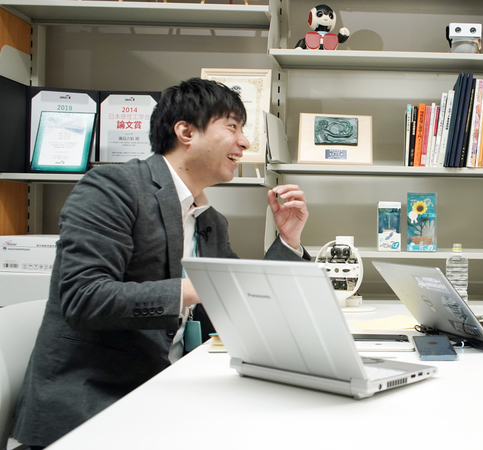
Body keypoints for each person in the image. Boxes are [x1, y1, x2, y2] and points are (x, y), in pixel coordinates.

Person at [12, 78, 310, 448]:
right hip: (96, 403)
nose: (245, 142)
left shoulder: (208, 220)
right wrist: (199, 287)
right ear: (185, 131)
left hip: (166, 391)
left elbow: (242, 300)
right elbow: (84, 298)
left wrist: (289, 239)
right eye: (232, 126)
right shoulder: (112, 188)